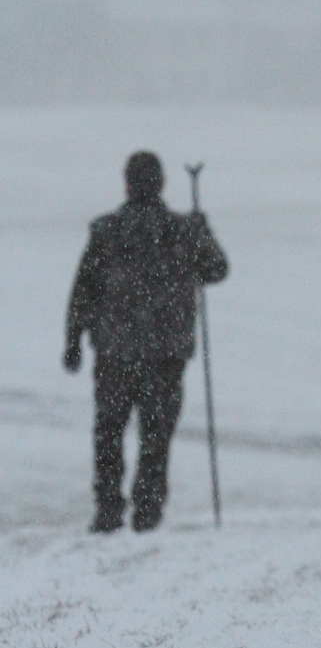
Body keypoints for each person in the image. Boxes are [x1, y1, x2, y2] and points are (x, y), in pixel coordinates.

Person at [63, 151, 228, 532]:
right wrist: (203, 232)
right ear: (162, 184)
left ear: (127, 184)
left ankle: (108, 508)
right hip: (165, 355)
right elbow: (216, 269)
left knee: (109, 432)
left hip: (115, 352)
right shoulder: (182, 231)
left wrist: (73, 340)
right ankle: (148, 509)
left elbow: (83, 291)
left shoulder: (107, 231)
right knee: (156, 434)